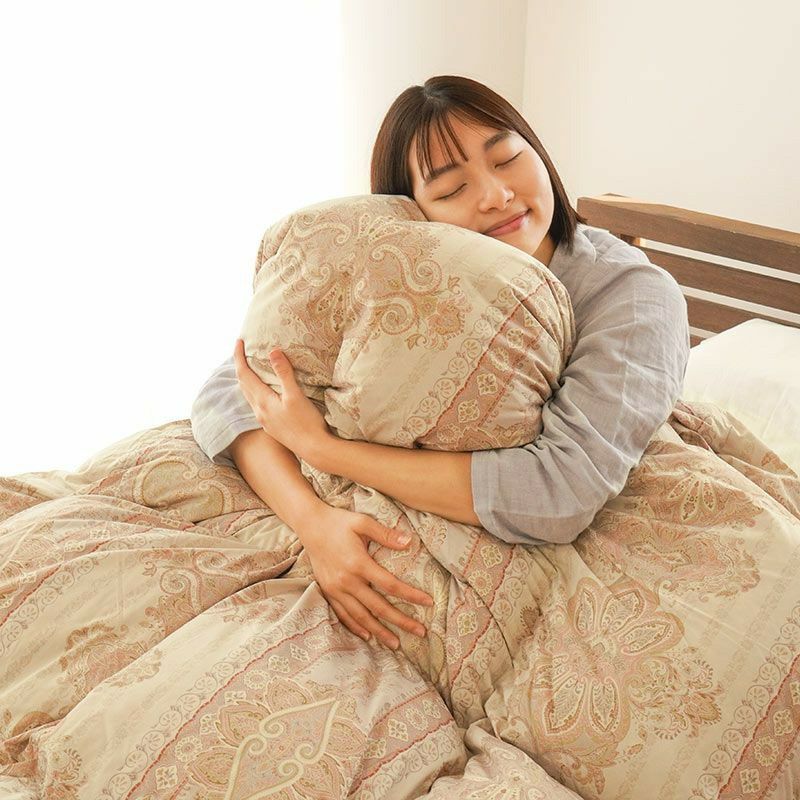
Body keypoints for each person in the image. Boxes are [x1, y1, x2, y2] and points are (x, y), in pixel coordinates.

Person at [191, 75, 690, 651]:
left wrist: (322, 449)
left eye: (507, 160)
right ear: (408, 213)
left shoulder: (633, 296)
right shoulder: (402, 272)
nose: (496, 195)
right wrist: (313, 522)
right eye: (452, 189)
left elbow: (559, 490)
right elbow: (236, 383)